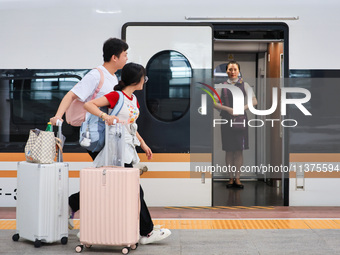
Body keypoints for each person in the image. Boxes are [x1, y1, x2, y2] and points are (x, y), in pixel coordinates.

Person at [84, 62, 171, 244]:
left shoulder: (133, 99)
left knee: (118, 191)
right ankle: (146, 232)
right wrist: (106, 116)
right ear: (137, 80)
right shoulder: (116, 96)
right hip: (116, 151)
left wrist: (143, 143)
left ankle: (86, 220)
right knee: (134, 192)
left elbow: (130, 125)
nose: (145, 81)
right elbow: (89, 105)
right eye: (143, 78)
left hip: (128, 150)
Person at [49, 38, 129, 230]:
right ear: (114, 57)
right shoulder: (96, 75)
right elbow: (71, 95)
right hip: (95, 136)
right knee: (110, 177)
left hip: (108, 136)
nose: (127, 58)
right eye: (125, 54)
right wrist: (58, 116)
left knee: (108, 179)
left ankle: (74, 205)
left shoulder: (113, 78)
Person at [214, 61, 257, 188]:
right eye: (230, 69)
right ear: (226, 71)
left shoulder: (245, 85)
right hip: (227, 120)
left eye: (235, 69)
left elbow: (254, 101)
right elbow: (214, 102)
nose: (232, 72)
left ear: (239, 71)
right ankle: (230, 178)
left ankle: (238, 178)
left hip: (240, 120)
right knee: (228, 150)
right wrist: (228, 109)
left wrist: (242, 108)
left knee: (239, 150)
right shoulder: (221, 86)